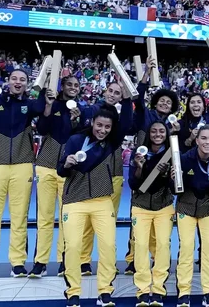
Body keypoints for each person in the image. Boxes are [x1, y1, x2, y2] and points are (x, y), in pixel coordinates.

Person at [58, 84, 133, 307]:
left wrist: (127, 98)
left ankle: (105, 291)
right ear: (92, 123)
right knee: (72, 246)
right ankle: (73, 292)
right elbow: (60, 169)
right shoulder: (74, 140)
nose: (102, 130)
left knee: (109, 246)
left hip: (102, 201)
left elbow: (127, 122)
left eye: (107, 127)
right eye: (99, 125)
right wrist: (67, 163)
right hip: (74, 201)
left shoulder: (111, 142)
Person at [0, 69, 46, 278]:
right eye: (14, 79)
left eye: (22, 79)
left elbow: (41, 106)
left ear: (27, 83)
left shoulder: (29, 106)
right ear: (8, 81)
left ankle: (18, 263)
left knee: (19, 217)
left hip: (22, 165)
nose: (18, 82)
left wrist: (42, 85)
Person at [125, 57, 180, 275]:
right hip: (142, 166)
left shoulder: (174, 124)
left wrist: (178, 132)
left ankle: (159, 261)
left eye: (169, 102)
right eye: (162, 101)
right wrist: (147, 73)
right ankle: (132, 259)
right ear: (155, 101)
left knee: (161, 216)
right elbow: (138, 97)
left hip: (163, 171)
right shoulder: (144, 115)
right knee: (137, 217)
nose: (165, 104)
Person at [77, 81, 134, 275]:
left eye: (117, 93)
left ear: (120, 97)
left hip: (114, 175)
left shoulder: (118, 123)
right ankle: (83, 261)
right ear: (104, 91)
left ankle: (107, 263)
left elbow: (127, 122)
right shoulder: (91, 111)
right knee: (86, 222)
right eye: (110, 91)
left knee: (108, 224)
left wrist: (128, 99)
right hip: (90, 174)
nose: (112, 94)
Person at [30, 75, 81, 278]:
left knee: (66, 218)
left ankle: (63, 261)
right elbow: (42, 129)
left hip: (67, 170)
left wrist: (76, 121)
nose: (73, 87)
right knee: (44, 217)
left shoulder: (81, 109)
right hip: (45, 166)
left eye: (76, 85)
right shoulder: (53, 103)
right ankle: (40, 262)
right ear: (62, 87)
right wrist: (48, 106)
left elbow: (81, 137)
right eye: (69, 84)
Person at [174, 124, 209, 307]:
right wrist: (174, 179)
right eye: (204, 138)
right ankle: (184, 292)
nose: (207, 142)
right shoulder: (185, 158)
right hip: (186, 208)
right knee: (187, 249)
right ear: (197, 140)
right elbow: (175, 190)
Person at [128, 121, 176, 307]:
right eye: (154, 131)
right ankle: (142, 290)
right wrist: (139, 167)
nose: (157, 134)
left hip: (164, 205)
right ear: (149, 133)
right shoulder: (139, 152)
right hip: (140, 206)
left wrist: (169, 177)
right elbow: (133, 184)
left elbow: (175, 186)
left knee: (163, 245)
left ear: (166, 133)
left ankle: (158, 289)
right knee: (140, 246)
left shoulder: (172, 153)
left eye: (161, 131)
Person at [178, 75, 209, 153]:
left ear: (203, 107)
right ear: (188, 107)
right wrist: (190, 139)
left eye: (199, 102)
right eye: (192, 102)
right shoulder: (181, 124)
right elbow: (179, 149)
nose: (196, 105)